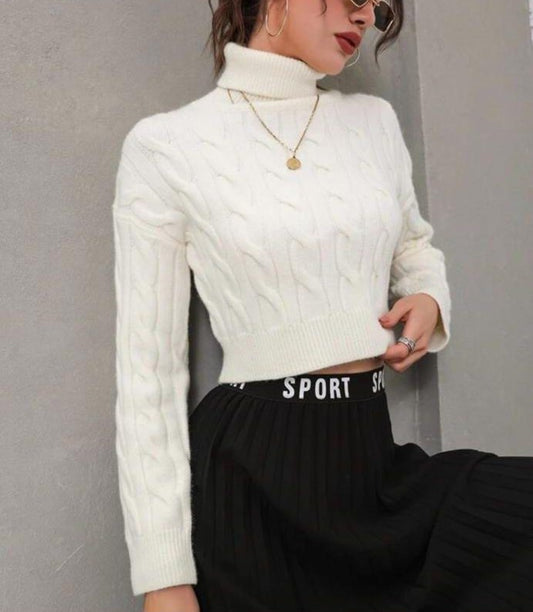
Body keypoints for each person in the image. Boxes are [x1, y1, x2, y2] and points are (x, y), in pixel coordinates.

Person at [111, 1, 533, 610]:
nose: (365, 16)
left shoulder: (372, 122)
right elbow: (146, 373)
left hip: (373, 471)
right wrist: (164, 576)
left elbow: (412, 244)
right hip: (250, 487)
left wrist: (428, 297)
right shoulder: (164, 147)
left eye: (378, 6)